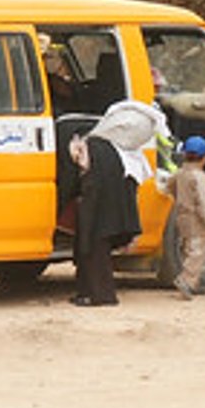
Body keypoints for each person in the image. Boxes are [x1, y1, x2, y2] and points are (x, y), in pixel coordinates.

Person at [69, 99, 168, 306]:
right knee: (94, 252)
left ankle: (101, 296)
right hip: (113, 211)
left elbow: (91, 182)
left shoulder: (92, 147)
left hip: (98, 209)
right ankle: (86, 294)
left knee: (94, 253)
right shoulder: (127, 154)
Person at [170, 135, 205, 300]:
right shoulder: (199, 177)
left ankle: (194, 283)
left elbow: (168, 187)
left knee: (187, 249)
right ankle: (186, 280)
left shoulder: (179, 174)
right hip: (196, 220)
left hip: (182, 216)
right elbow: (204, 202)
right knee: (197, 252)